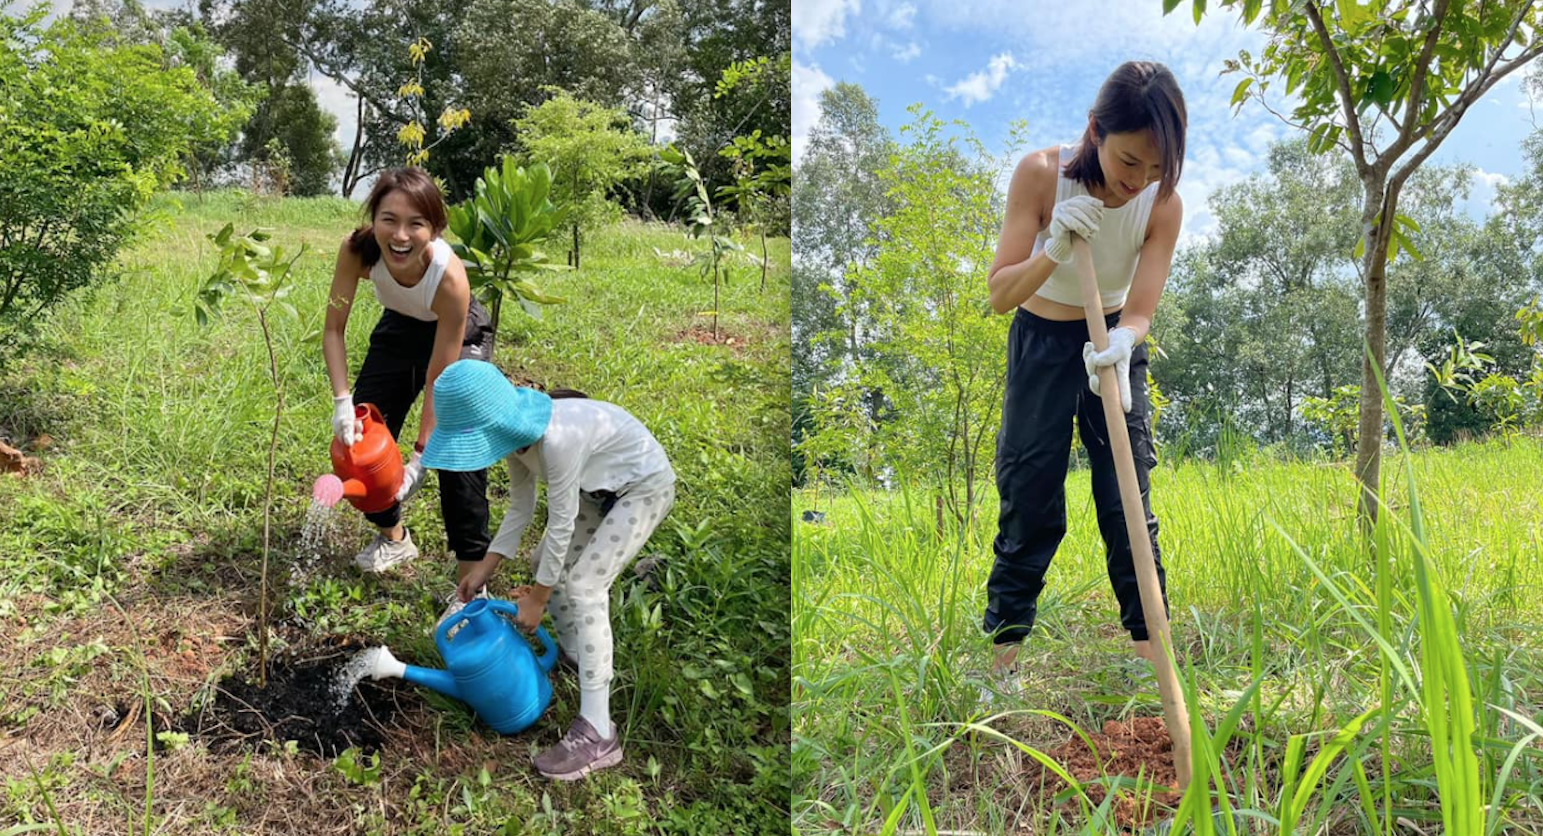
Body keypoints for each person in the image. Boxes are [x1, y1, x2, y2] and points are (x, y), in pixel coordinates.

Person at [982, 61, 1187, 688]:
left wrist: (1126, 339)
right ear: (1095, 129)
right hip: (1042, 341)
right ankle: (1001, 663)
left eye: (1156, 169)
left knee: (1127, 497)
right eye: (1130, 162)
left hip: (1114, 346)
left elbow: (1144, 305)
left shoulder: (1163, 203)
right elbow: (998, 294)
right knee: (1030, 495)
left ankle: (1153, 661)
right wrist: (1053, 250)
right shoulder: (1042, 175)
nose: (1139, 182)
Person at [421, 359, 677, 781]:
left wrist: (537, 599)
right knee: (544, 564)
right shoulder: (516, 441)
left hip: (642, 488)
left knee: (583, 587)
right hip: (598, 493)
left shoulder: (557, 439)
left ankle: (599, 731)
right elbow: (521, 507)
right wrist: (485, 568)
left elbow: (560, 521)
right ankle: (581, 655)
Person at [323, 168, 495, 584]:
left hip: (458, 332)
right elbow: (332, 329)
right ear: (373, 218)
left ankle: (471, 579)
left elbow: (441, 377)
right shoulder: (356, 250)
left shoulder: (451, 278)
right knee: (359, 445)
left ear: (435, 228)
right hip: (400, 326)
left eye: (415, 224)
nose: (400, 236)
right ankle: (394, 537)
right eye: (389, 220)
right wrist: (343, 402)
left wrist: (420, 455)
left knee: (458, 448)